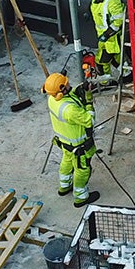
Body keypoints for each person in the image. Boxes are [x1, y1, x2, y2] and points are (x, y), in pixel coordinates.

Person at [44, 72, 100, 207]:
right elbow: (89, 120)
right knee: (82, 169)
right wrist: (88, 100)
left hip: (65, 141)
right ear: (61, 90)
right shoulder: (70, 110)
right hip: (79, 145)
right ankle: (81, 197)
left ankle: (64, 186)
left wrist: (78, 90)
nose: (69, 84)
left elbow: (68, 97)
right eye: (66, 84)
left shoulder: (53, 99)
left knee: (67, 161)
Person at [88, 0, 126, 77]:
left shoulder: (113, 0)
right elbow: (95, 5)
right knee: (116, 59)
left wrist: (107, 34)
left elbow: (119, 20)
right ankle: (127, 74)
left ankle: (104, 82)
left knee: (101, 62)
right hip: (103, 35)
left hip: (112, 38)